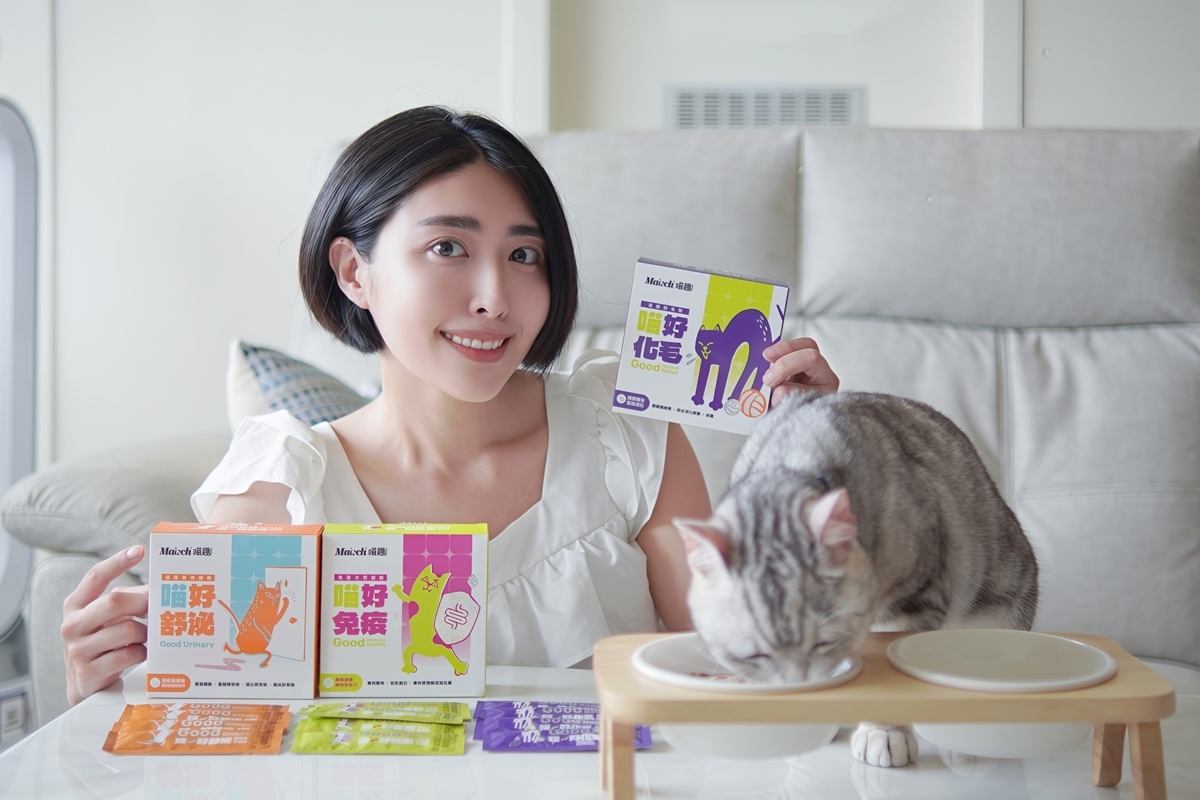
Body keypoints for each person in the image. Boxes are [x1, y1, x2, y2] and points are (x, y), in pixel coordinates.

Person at [60, 106, 840, 705]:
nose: (496, 297)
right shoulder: (283, 487)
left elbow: (745, 667)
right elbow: (214, 730)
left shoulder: (628, 436)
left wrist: (810, 452)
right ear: (354, 272)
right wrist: (101, 692)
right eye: (447, 248)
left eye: (524, 255)